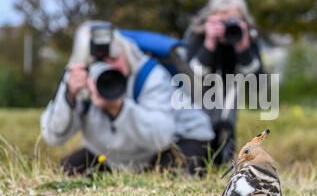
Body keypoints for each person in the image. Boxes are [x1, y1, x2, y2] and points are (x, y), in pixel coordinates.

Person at [41, 21, 214, 176]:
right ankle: (129, 168)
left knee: (173, 173)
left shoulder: (150, 75)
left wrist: (118, 108)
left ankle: (218, 146)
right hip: (116, 153)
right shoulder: (80, 78)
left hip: (179, 139)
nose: (109, 68)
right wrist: (69, 95)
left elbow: (161, 136)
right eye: (99, 62)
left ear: (125, 51)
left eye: (114, 58)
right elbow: (53, 135)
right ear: (84, 64)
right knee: (64, 170)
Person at [183, 0, 264, 164]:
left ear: (244, 20)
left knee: (226, 126)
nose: (228, 26)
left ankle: (225, 160)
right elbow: (191, 76)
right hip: (198, 98)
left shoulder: (248, 37)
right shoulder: (198, 35)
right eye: (223, 19)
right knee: (200, 129)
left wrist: (244, 47)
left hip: (230, 100)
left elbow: (258, 82)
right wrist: (209, 42)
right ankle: (197, 161)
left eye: (234, 19)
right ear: (210, 19)